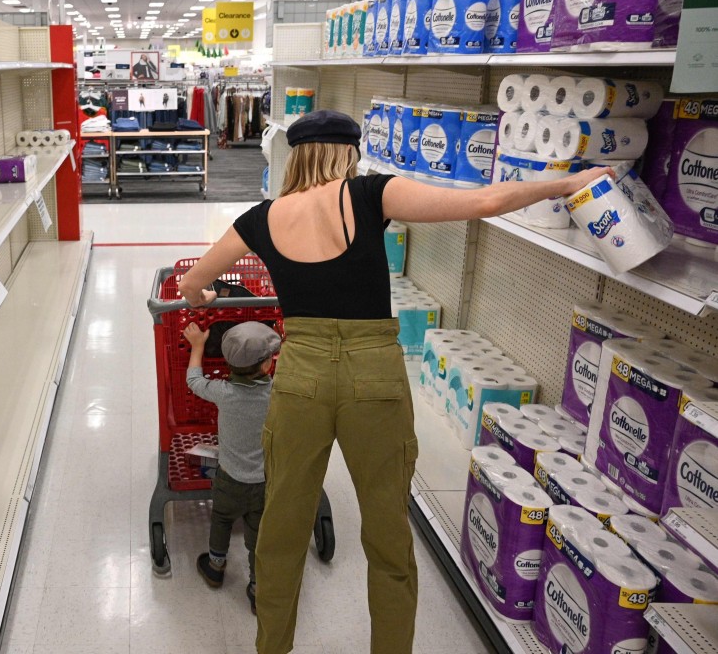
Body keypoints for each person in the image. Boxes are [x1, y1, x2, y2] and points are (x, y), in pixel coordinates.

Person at [176, 109, 612, 654]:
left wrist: (208, 299)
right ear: (347, 154)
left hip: (301, 377)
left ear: (298, 156)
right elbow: (483, 202)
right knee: (387, 538)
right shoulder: (370, 195)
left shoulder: (261, 217)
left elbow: (193, 284)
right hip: (374, 376)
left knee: (282, 533)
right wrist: (570, 183)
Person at [182, 320, 281, 615]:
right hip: (263, 482)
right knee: (257, 537)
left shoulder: (224, 392)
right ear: (266, 367)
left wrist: (198, 345)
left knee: (222, 520)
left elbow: (194, 381)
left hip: (228, 476)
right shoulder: (277, 393)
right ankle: (256, 589)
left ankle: (215, 566)